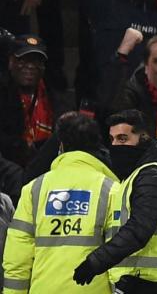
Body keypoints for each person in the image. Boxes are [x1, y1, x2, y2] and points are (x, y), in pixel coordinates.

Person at [73, 110, 157, 293]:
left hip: (156, 283)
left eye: (122, 139)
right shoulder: (134, 176)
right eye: (112, 139)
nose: (115, 146)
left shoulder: (154, 174)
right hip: (144, 280)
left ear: (143, 139)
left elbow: (139, 228)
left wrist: (95, 262)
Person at [3, 112, 118, 294]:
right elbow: (119, 256)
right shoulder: (112, 189)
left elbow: (17, 257)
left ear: (61, 146)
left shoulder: (34, 189)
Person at [0, 35, 72, 167]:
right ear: (11, 62)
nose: (30, 66)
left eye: (36, 61)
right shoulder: (3, 95)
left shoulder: (55, 98)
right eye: (23, 60)